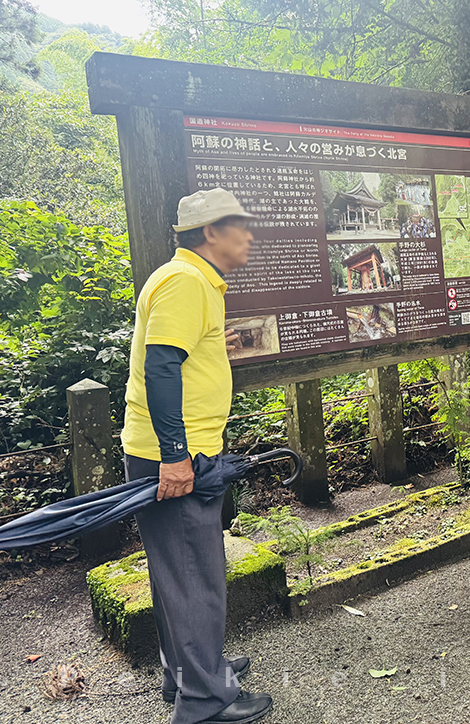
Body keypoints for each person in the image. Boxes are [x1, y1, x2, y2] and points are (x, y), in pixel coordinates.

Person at [120, 188, 274, 724]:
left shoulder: (191, 282)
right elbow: (161, 368)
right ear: (211, 232)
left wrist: (214, 346)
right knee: (194, 573)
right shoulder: (186, 282)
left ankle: (190, 671)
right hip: (176, 455)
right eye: (241, 225)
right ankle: (205, 700)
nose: (249, 234)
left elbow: (176, 357)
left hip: (177, 450)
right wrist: (176, 456)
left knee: (176, 573)